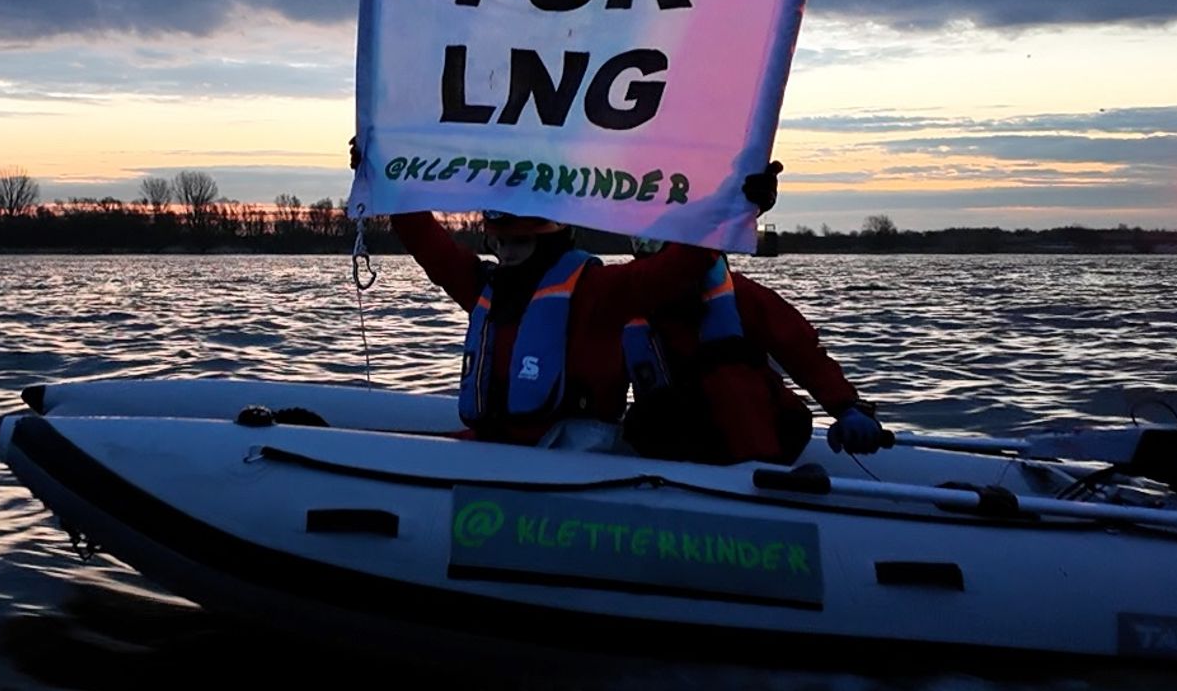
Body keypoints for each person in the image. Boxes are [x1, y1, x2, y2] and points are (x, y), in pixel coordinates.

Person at [351, 139, 744, 445]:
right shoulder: (486, 287)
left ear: (551, 242)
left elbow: (675, 269)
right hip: (495, 450)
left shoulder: (598, 291)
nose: (506, 255)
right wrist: (384, 177)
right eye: (499, 244)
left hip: (574, 461)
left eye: (519, 244)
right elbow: (429, 245)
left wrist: (738, 204)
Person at [621, 162, 893, 464]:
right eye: (642, 240)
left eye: (658, 241)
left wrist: (846, 407)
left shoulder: (741, 296)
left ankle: (757, 471)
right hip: (676, 440)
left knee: (728, 367)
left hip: (767, 436)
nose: (649, 251)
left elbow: (804, 353)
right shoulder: (621, 299)